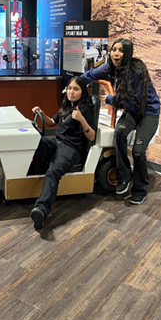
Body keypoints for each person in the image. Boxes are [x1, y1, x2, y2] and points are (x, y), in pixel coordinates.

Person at [81, 38, 160, 205]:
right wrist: (77, 84)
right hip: (131, 111)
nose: (116, 53)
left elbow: (134, 101)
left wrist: (111, 99)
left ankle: (140, 189)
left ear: (128, 54)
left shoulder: (137, 70)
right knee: (119, 133)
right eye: (114, 49)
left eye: (121, 50)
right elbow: (91, 75)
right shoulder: (110, 67)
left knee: (138, 151)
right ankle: (124, 176)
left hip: (148, 113)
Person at [28, 76, 96, 229]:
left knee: (53, 171)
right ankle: (31, 177)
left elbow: (91, 136)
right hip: (57, 142)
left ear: (82, 91)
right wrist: (42, 112)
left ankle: (42, 210)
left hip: (71, 149)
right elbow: (52, 122)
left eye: (76, 89)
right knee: (40, 142)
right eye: (70, 88)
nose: (71, 92)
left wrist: (81, 119)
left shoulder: (85, 109)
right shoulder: (66, 105)